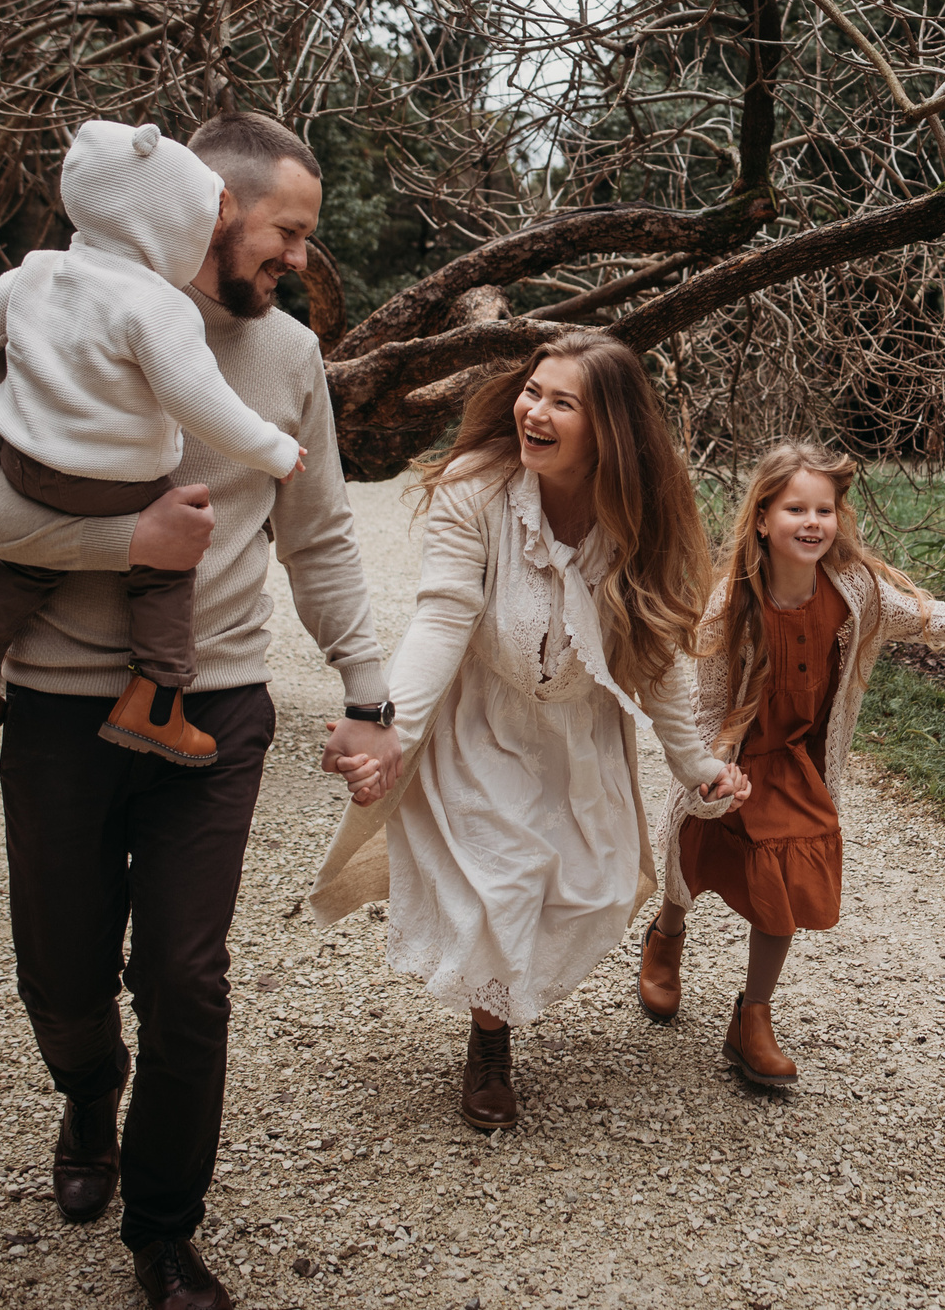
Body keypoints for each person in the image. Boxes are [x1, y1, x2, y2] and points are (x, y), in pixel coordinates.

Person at [0, 111, 387, 1310]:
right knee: (60, 969)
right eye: (286, 232)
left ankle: (165, 1232)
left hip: (215, 707)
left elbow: (322, 532)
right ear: (215, 213)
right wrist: (123, 537)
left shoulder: (288, 358)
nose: (297, 258)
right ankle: (88, 1086)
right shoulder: (58, 310)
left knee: (188, 975)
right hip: (59, 711)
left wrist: (368, 690)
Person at [306, 331, 751, 1131]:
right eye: (532, 391)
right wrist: (386, 727)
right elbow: (441, 617)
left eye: (561, 401)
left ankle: (502, 997)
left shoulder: (638, 511)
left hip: (580, 735)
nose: (533, 411)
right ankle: (490, 1040)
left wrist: (693, 763)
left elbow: (658, 653)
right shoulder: (479, 489)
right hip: (484, 720)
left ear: (607, 427)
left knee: (594, 888)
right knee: (502, 881)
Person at [642, 441, 945, 1084]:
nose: (812, 523)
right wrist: (706, 773)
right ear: (761, 518)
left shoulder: (854, 590)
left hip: (798, 765)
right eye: (795, 509)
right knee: (690, 855)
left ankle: (752, 1017)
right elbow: (706, 702)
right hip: (736, 758)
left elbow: (919, 618)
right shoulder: (734, 606)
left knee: (789, 880)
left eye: (825, 510)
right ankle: (667, 936)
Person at [0, 119, 307, 764]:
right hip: (109, 478)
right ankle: (156, 700)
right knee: (167, 561)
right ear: (169, 222)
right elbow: (197, 401)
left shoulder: (39, 272)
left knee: (30, 557)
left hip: (26, 459)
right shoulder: (155, 304)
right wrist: (274, 450)